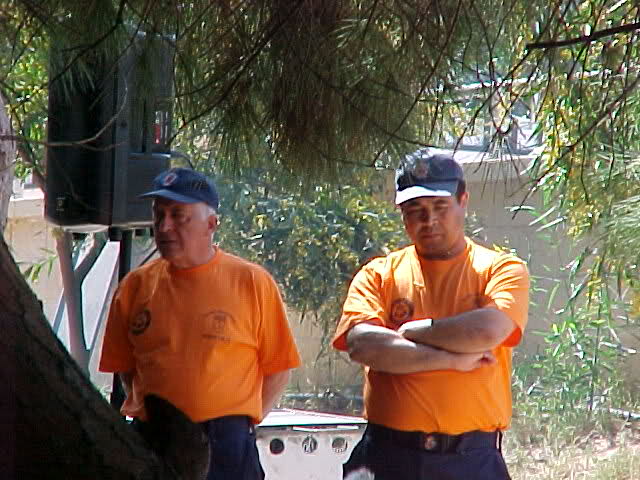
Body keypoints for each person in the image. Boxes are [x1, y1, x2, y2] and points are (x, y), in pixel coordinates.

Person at [333, 150, 529, 480]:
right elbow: (363, 345)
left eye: (440, 207)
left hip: (471, 461)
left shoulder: (499, 269)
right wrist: (452, 360)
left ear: (463, 201)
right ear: (401, 214)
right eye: (415, 210)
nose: (429, 220)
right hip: (387, 456)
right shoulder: (379, 274)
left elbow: (486, 332)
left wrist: (410, 331)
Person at [99, 167, 301, 480]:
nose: (164, 226)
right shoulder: (134, 287)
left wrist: (240, 424)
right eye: (158, 215)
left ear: (211, 224)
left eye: (179, 215)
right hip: (154, 440)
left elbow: (278, 369)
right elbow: (127, 369)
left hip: (226, 444)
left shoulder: (251, 282)